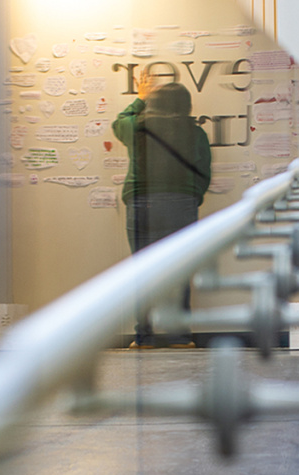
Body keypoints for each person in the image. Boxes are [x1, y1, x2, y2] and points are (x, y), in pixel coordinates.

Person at [113, 71, 212, 349]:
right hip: (181, 204)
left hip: (141, 202)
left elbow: (118, 122)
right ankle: (180, 337)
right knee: (180, 271)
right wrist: (191, 198)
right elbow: (203, 171)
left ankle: (144, 337)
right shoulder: (196, 133)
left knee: (142, 272)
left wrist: (141, 98)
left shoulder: (137, 127)